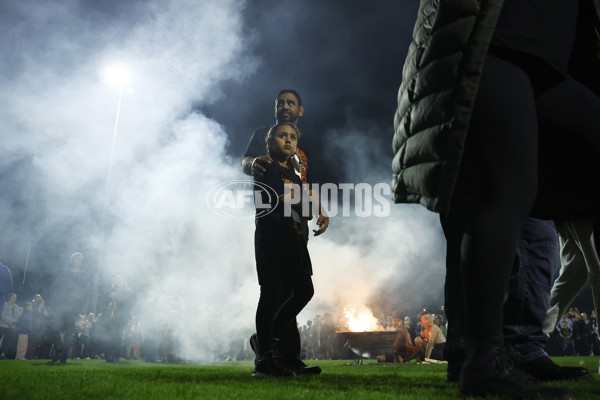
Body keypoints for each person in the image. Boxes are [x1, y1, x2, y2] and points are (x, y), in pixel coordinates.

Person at [392, 1, 600, 398]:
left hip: (543, 58)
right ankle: (483, 360)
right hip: (496, 45)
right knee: (505, 194)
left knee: (525, 206)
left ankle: (508, 352)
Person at [244, 89, 328, 376]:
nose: (285, 106)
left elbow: (304, 191)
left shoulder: (297, 160)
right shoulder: (265, 153)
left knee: (297, 290)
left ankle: (278, 349)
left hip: (295, 229)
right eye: (280, 102)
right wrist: (254, 163)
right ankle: (268, 356)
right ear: (270, 141)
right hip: (272, 231)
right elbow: (250, 167)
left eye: (291, 103)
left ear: (300, 111)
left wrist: (317, 209)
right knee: (273, 292)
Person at [544, 221, 600, 336]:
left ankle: (534, 334)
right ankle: (532, 336)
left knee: (574, 274)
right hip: (583, 210)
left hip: (570, 210)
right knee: (589, 270)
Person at [49, 251, 91, 364]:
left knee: (69, 332)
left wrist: (84, 306)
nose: (79, 261)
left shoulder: (85, 274)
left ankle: (63, 357)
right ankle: (58, 349)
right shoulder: (63, 272)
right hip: (60, 304)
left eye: (81, 259)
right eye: (76, 258)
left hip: (74, 306)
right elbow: (55, 287)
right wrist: (52, 303)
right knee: (53, 328)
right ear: (72, 260)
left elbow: (86, 292)